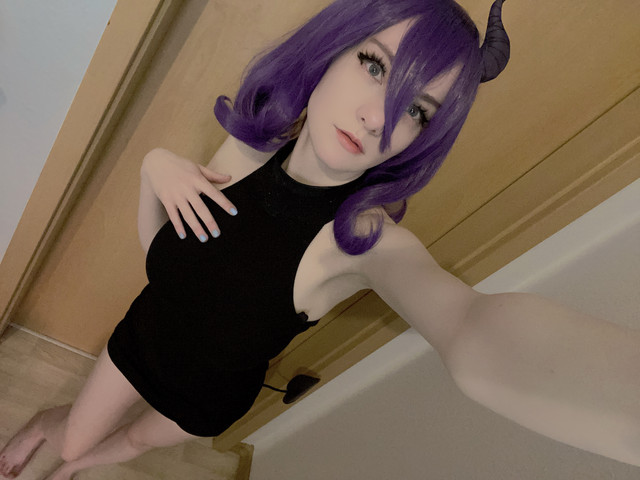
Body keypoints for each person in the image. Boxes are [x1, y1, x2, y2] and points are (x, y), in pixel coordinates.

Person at [1, 0, 639, 478]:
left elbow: (470, 322)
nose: (378, 117)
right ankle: (52, 433)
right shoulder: (248, 150)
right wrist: (154, 169)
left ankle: (74, 467)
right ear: (334, 49)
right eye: (375, 65)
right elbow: (167, 263)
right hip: (145, 340)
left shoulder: (361, 241)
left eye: (417, 110)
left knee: (129, 445)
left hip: (210, 396)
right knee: (75, 435)